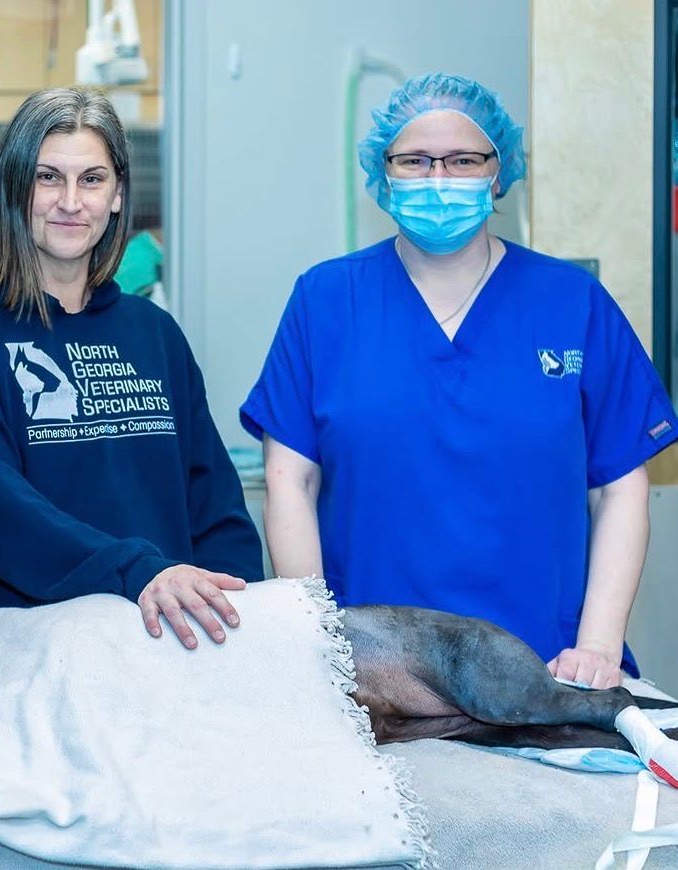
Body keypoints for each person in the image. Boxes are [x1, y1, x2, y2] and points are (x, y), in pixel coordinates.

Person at [241, 73, 678, 691]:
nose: (439, 178)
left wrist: (597, 647)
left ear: (498, 173)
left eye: (464, 160)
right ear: (384, 177)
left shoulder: (572, 302)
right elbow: (289, 484)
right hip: (378, 670)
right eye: (415, 160)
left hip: (548, 665)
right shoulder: (326, 300)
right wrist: (322, 642)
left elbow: (621, 491)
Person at [0, 87, 262, 649]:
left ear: (118, 194)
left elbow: (214, 505)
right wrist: (138, 571)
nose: (71, 201)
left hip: (165, 650)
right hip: (19, 660)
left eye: (92, 179)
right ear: (15, 188)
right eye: (48, 177)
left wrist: (236, 612)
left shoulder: (155, 333)